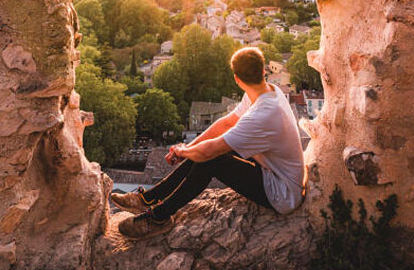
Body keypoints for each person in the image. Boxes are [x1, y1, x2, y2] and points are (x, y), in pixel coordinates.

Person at [112, 47, 306, 239]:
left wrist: (184, 151)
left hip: (283, 193)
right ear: (264, 71)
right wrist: (187, 148)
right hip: (272, 171)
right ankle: (149, 198)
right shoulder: (268, 91)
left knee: (211, 160)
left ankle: (159, 218)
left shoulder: (262, 114)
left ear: (237, 79)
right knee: (207, 151)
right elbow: (227, 122)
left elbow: (208, 153)